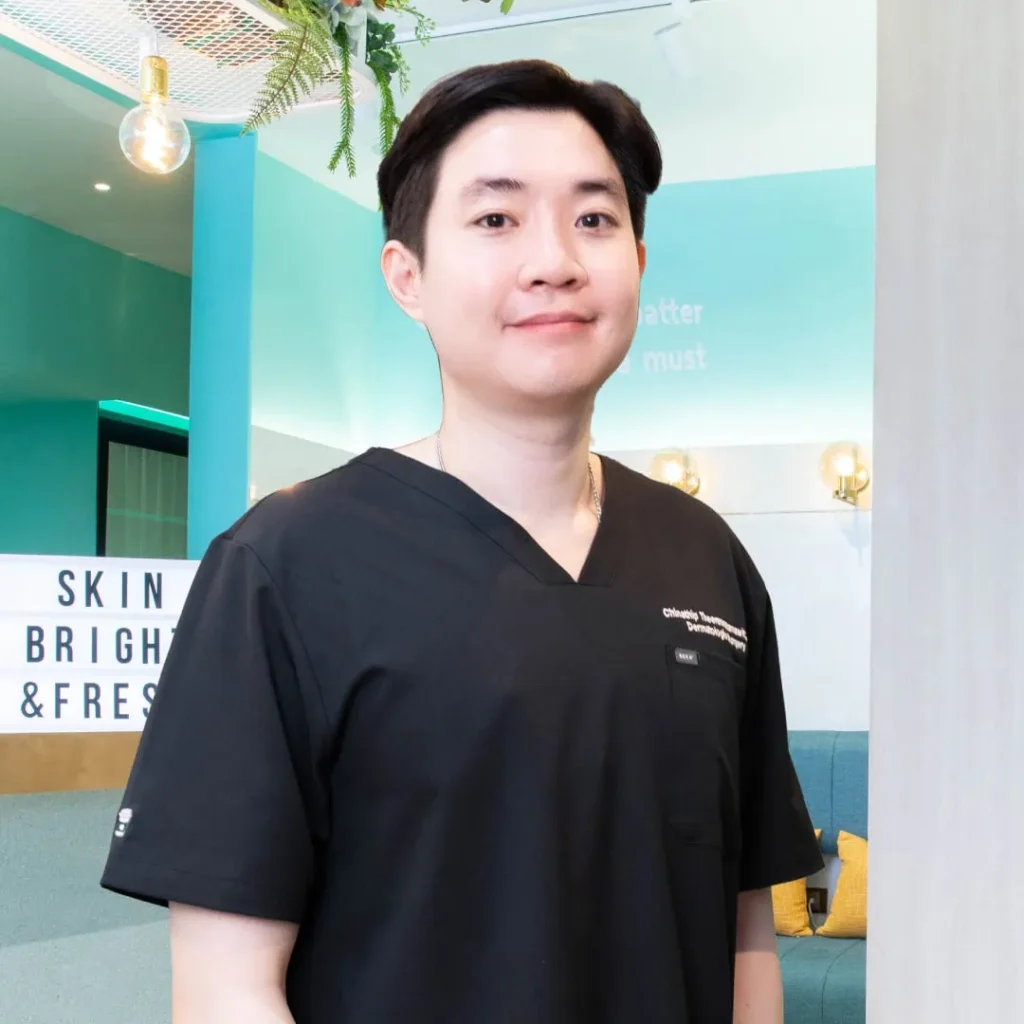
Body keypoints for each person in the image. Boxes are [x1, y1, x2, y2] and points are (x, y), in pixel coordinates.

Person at [101, 59, 822, 1023]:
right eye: (495, 219)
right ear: (408, 278)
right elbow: (226, 987)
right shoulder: (285, 567)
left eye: (594, 218)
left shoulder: (705, 556)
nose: (553, 260)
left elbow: (744, 929)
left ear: (639, 264)